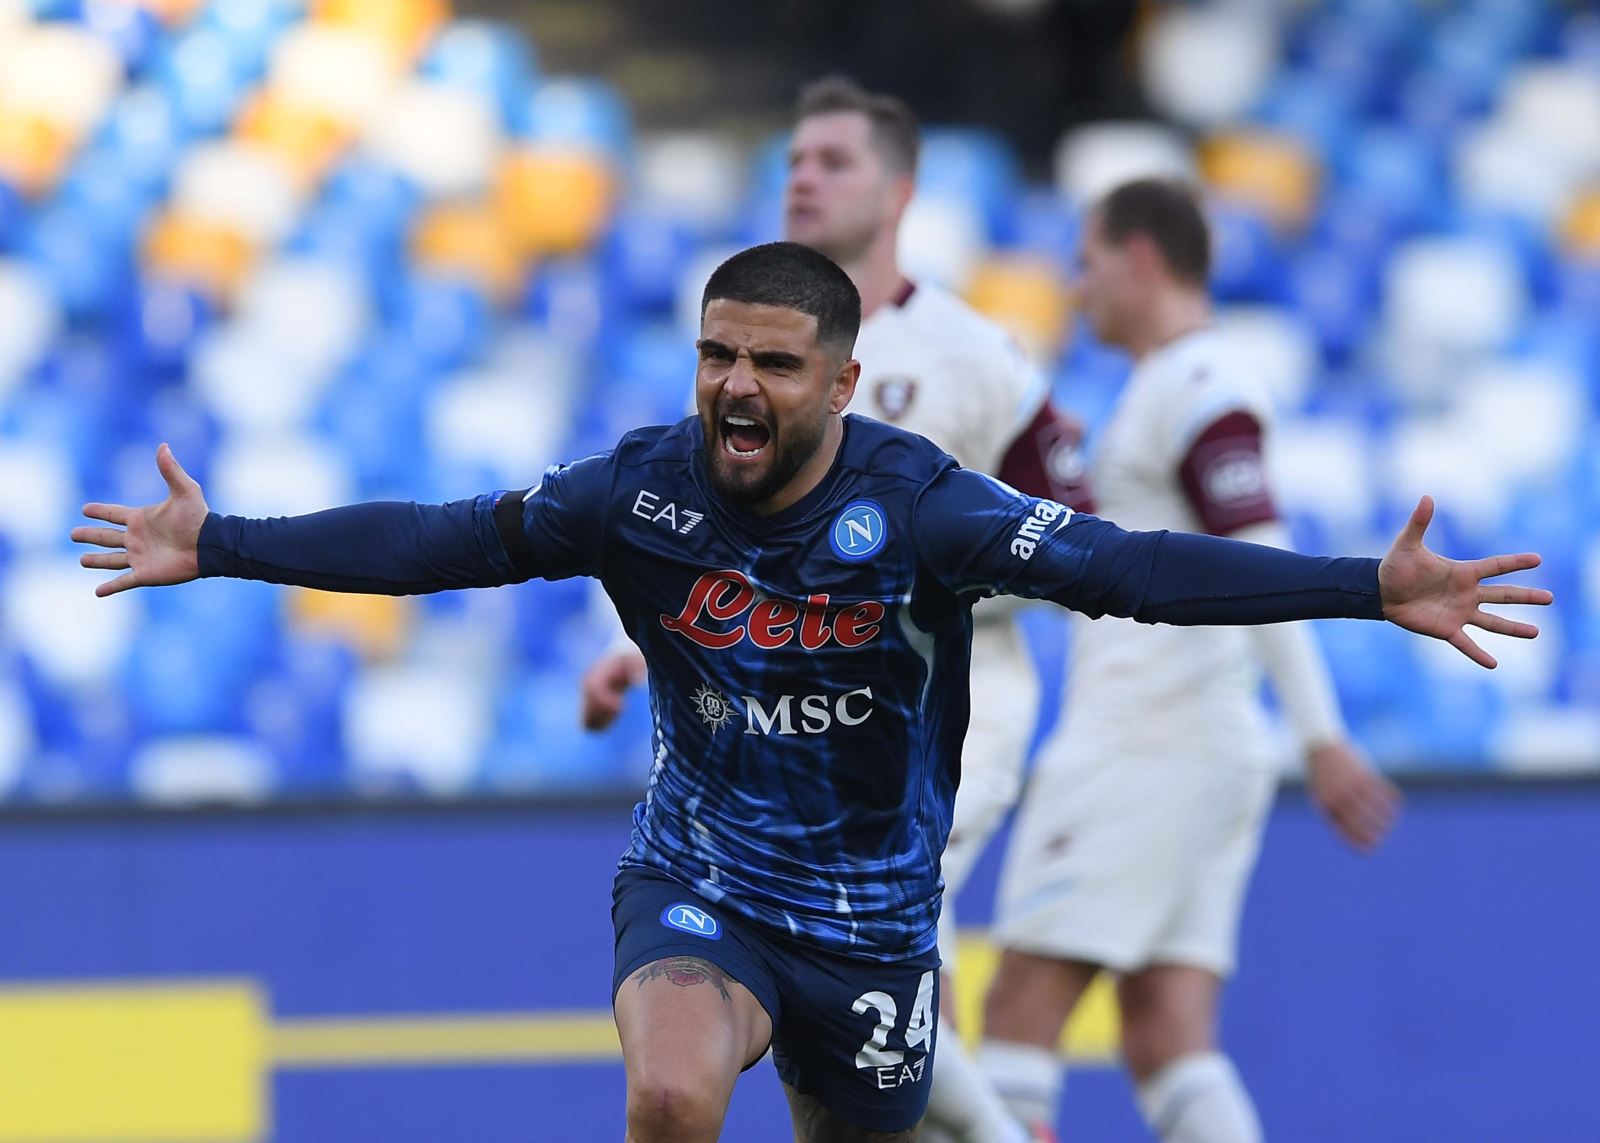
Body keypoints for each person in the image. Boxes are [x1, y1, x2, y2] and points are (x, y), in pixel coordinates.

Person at [74, 241, 1548, 1143]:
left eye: (772, 363)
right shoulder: (637, 491)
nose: (735, 384)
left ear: (841, 385)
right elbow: (440, 542)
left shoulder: (924, 508)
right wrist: (223, 542)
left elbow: (1130, 567)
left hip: (874, 925)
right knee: (670, 1092)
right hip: (700, 878)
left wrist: (1366, 584)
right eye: (716, 353)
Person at [579, 75, 1094, 1143]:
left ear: (898, 190)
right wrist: (645, 651)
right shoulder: (755, 347)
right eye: (795, 161)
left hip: (937, 714)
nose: (802, 179)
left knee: (873, 935)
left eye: (832, 161)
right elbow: (704, 544)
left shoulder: (978, 357)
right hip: (779, 710)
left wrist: (918, 580)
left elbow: (1073, 535)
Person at [977, 178, 1405, 1143]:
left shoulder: (1200, 383)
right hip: (1204, 743)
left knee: (1018, 1012)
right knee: (1166, 1033)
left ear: (1138, 258)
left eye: (1087, 262)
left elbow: (1262, 558)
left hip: (1145, 741)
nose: (1077, 287)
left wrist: (1323, 735)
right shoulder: (1161, 387)